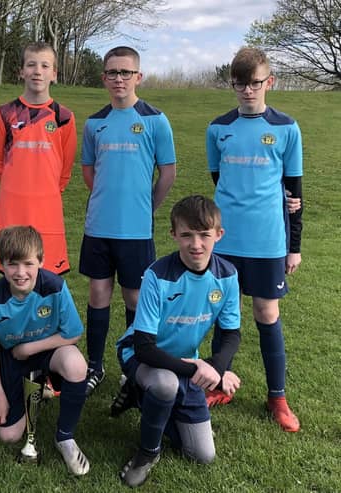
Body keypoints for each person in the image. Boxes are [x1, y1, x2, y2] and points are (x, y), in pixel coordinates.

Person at [205, 47, 303, 433]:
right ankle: (217, 383)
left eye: (256, 83)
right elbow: (220, 182)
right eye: (241, 83)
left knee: (266, 314)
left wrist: (293, 246)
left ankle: (277, 397)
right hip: (225, 240)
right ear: (232, 84)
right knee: (221, 311)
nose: (248, 90)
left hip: (267, 242)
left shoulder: (286, 128)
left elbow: (295, 193)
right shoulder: (218, 128)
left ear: (270, 82)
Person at [113, 195, 241, 487]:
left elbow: (232, 333)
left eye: (204, 235)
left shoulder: (228, 276)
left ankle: (141, 398)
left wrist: (217, 369)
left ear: (218, 235)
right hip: (141, 354)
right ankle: (147, 452)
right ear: (173, 235)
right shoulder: (157, 276)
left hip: (184, 361)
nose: (196, 244)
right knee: (165, 384)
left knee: (202, 454)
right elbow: (144, 346)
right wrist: (197, 369)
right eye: (186, 235)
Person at [79, 46, 176, 396]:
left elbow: (168, 172)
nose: (118, 79)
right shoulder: (95, 123)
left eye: (125, 72)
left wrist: (146, 206)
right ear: (104, 77)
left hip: (136, 230)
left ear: (139, 76)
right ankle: (94, 366)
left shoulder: (155, 120)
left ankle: (133, 365)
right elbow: (89, 172)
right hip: (98, 227)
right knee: (98, 293)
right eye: (112, 73)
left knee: (135, 299)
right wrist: (109, 199)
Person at [0, 226, 90, 476]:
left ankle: (65, 437)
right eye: (12, 264)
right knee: (8, 436)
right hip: (11, 357)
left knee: (76, 364)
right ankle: (35, 391)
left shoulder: (55, 286)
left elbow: (73, 333)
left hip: (45, 350)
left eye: (28, 263)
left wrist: (30, 347)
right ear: (1, 264)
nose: (20, 272)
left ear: (41, 260)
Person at [0, 42, 77, 276]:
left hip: (47, 209)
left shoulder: (64, 117)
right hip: (13, 206)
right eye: (31, 65)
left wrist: (45, 190)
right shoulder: (4, 113)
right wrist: (17, 184)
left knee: (46, 281)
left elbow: (65, 168)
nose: (38, 71)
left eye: (45, 65)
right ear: (21, 71)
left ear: (54, 74)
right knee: (13, 276)